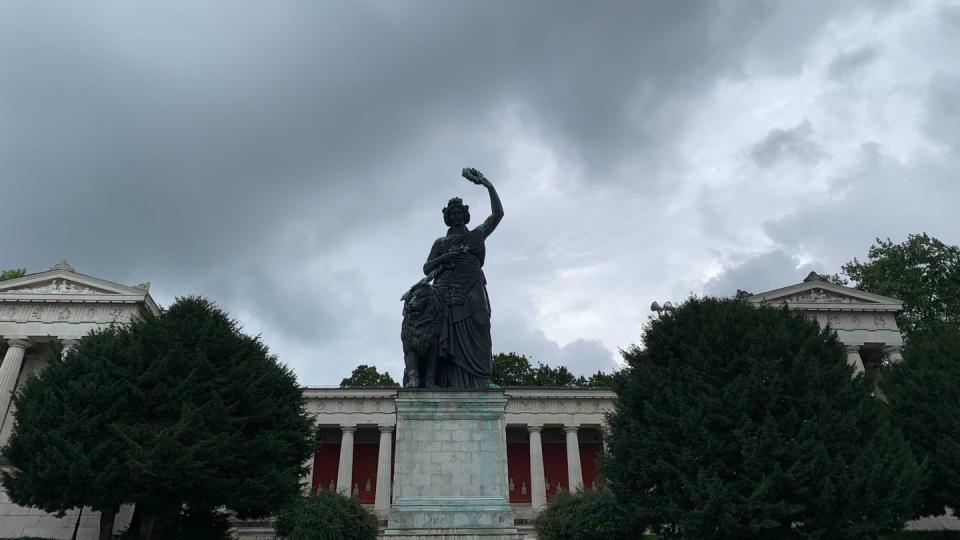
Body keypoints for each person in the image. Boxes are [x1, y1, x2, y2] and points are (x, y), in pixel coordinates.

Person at [421, 168, 503, 388]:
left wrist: (488, 185)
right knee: (444, 335)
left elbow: (497, 215)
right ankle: (447, 380)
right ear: (448, 217)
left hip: (472, 283)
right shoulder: (440, 243)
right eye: (452, 213)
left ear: (465, 214)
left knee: (481, 322)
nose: (456, 215)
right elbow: (426, 267)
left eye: (459, 212)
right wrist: (444, 258)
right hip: (446, 287)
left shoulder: (477, 234)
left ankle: (481, 378)